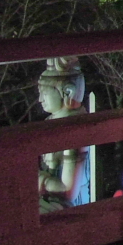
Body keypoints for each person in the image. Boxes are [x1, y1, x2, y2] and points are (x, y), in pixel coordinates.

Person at [37, 57, 89, 212]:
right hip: (45, 195)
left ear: (68, 92)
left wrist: (37, 179)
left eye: (44, 93)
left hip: (62, 205)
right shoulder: (51, 122)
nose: (40, 100)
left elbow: (67, 191)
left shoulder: (74, 131)